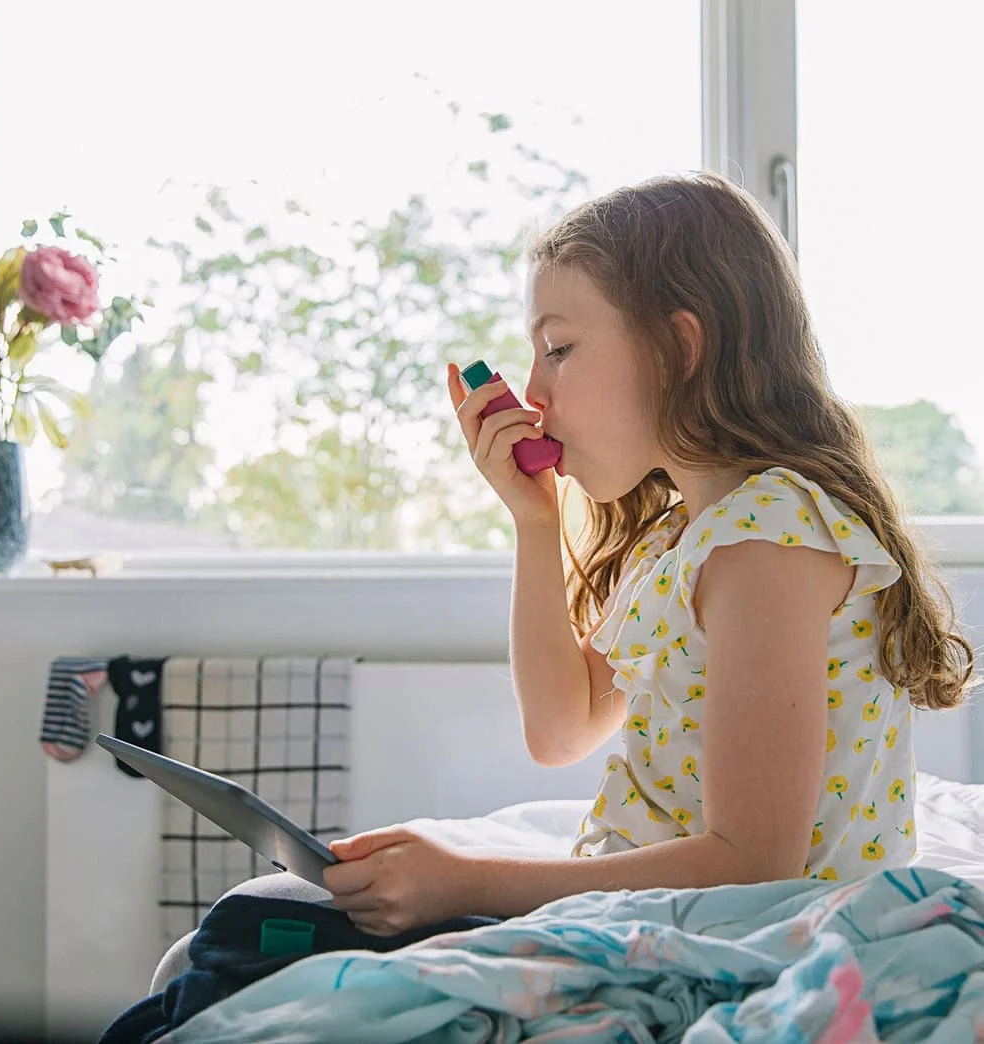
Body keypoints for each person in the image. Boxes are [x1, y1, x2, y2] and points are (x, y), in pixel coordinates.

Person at [317, 170, 975, 936]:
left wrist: (470, 883)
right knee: (275, 927)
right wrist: (535, 525)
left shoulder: (766, 541)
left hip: (740, 940)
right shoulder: (682, 538)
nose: (533, 393)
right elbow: (559, 731)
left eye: (558, 348)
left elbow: (752, 862)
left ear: (678, 346)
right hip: (655, 920)